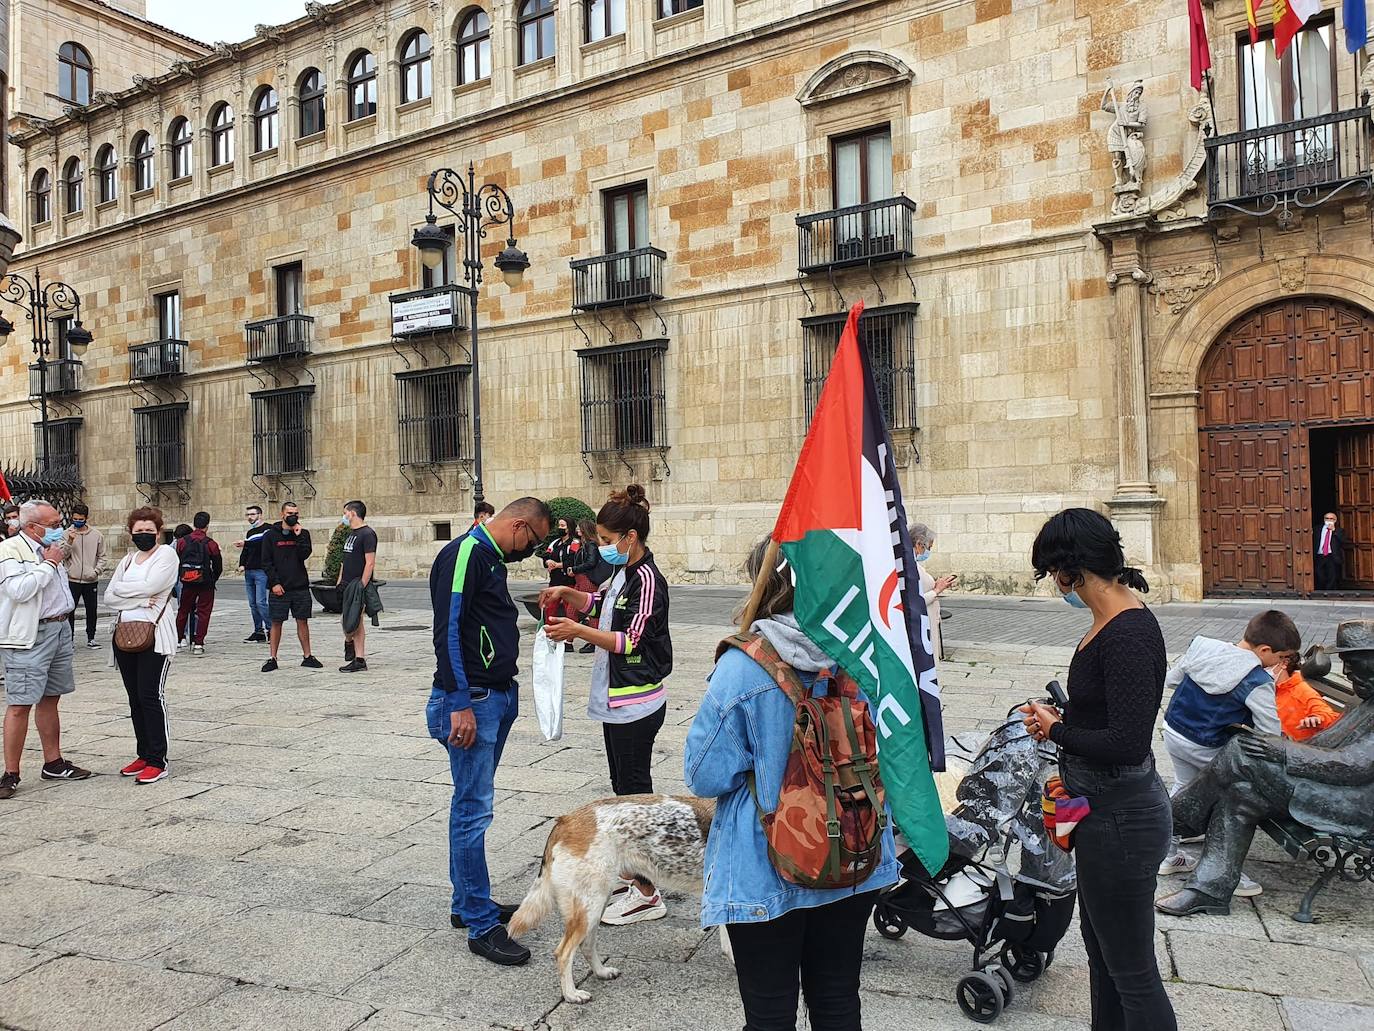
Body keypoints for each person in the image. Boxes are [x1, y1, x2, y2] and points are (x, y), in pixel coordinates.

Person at [685, 537, 899, 1031]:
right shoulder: (868, 657)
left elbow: (704, 774)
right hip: (855, 849)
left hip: (770, 858)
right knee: (839, 1000)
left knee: (769, 1012)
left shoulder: (743, 667)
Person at [1019, 508, 1177, 1031]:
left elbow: (1127, 743)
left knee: (1131, 970)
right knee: (1103, 953)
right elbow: (1111, 715)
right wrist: (1064, 720)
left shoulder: (1127, 632)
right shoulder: (1109, 622)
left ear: (1070, 569)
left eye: (1051, 574)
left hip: (1121, 820)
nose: (1054, 586)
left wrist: (1055, 730)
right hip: (1101, 812)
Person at [1158, 618, 1374, 918]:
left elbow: (1356, 765)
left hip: (1353, 806)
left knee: (1240, 752)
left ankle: (1172, 820)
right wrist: (1285, 748)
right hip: (1332, 789)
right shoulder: (1369, 702)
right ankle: (1209, 890)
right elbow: (1328, 744)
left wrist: (1283, 751)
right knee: (1241, 791)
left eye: (1355, 663)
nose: (1348, 672)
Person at [426, 497, 550, 966]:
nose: (530, 552)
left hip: (493, 695)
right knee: (473, 810)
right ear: (518, 525)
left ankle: (467, 902)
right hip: (470, 700)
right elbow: (448, 631)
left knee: (471, 804)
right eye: (532, 542)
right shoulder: (465, 555)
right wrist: (459, 702)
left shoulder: (491, 559)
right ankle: (479, 922)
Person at [541, 484, 673, 926]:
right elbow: (601, 604)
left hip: (638, 700)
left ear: (628, 538)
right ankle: (633, 872)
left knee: (635, 794)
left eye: (603, 538)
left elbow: (628, 638)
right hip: (617, 698)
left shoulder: (649, 579)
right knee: (622, 790)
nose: (601, 546)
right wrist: (568, 595)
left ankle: (648, 891)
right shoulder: (622, 575)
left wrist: (577, 632)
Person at [1155, 610, 1297, 893]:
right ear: (1265, 650)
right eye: (1282, 657)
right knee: (1230, 802)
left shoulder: (1203, 646)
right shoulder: (1257, 681)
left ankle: (1166, 855)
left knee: (1183, 787)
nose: (1282, 664)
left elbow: (1171, 679)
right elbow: (1268, 732)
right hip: (1207, 746)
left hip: (1173, 730)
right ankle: (1222, 870)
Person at [0, 499, 92, 800]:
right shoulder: (9, 550)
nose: (59, 529)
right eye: (53, 525)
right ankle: (10, 773)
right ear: (31, 527)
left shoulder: (50, 548)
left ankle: (53, 762)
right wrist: (50, 562)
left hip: (60, 628)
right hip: (31, 634)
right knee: (20, 703)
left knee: (51, 698)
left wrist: (53, 559)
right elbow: (20, 590)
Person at [104, 506, 179, 784]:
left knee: (150, 695)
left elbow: (154, 586)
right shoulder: (127, 561)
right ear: (131, 533)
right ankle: (144, 753)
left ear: (158, 532)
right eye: (139, 531)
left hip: (155, 635)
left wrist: (128, 591)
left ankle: (158, 759)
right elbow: (109, 597)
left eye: (149, 530)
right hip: (124, 633)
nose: (144, 535)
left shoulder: (167, 555)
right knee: (134, 697)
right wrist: (136, 600)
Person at [260, 502, 320, 672]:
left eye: (296, 513)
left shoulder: (303, 534)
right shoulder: (270, 536)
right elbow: (266, 562)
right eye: (289, 512)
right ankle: (273, 657)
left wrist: (299, 536)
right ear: (282, 514)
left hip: (299, 585)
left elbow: (304, 554)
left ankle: (307, 656)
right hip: (279, 587)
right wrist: (274, 583)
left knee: (302, 621)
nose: (293, 515)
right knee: (276, 622)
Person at [174, 512, 222, 656]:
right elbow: (218, 566)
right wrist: (213, 578)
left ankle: (178, 640)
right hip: (205, 582)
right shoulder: (211, 543)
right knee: (204, 612)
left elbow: (178, 561)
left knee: (183, 610)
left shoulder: (182, 542)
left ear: (194, 524)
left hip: (188, 580)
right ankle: (199, 643)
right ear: (207, 525)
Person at [338, 500, 377, 673]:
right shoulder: (351, 533)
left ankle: (359, 658)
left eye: (345, 512)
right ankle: (349, 644)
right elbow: (344, 560)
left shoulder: (367, 534)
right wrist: (339, 580)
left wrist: (362, 584)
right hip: (346, 583)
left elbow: (370, 563)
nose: (344, 516)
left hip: (357, 584)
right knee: (348, 619)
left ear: (352, 513)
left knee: (356, 620)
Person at [908, 521, 955, 662]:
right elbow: (915, 599)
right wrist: (936, 590)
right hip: (922, 623)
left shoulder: (915, 564)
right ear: (919, 544)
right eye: (929, 547)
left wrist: (939, 585)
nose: (929, 551)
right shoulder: (910, 566)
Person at [63, 502, 105, 649]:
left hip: (90, 579)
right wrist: (69, 541)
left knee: (91, 609)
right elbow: (63, 555)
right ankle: (70, 640)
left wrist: (95, 571)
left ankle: (91, 637)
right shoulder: (66, 533)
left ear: (86, 518)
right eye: (75, 518)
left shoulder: (97, 535)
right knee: (70, 611)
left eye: (80, 519)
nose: (78, 521)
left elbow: (102, 556)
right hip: (72, 579)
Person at [567, 518, 608, 654]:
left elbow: (591, 562)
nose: (577, 529)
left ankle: (593, 641)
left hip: (587, 581)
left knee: (591, 612)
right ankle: (569, 641)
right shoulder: (582, 544)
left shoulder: (591, 545)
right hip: (580, 580)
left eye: (579, 527)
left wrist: (575, 569)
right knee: (572, 610)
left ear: (585, 529)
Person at [537, 517, 578, 651]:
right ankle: (550, 635)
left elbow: (574, 560)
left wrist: (559, 565)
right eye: (559, 525)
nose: (560, 528)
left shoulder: (575, 543)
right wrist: (548, 562)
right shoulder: (554, 543)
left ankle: (569, 641)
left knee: (570, 611)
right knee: (550, 608)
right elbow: (546, 556)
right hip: (554, 582)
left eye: (563, 526)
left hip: (569, 582)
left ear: (569, 528)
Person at [235, 504, 271, 643]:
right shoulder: (250, 533)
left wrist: (245, 543)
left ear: (260, 515)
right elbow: (247, 549)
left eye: (253, 514)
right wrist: (242, 564)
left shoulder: (267, 529)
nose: (250, 517)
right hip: (249, 571)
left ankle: (270, 629)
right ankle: (258, 631)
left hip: (261, 570)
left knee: (261, 602)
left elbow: (259, 542)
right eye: (248, 515)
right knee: (252, 604)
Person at [1315, 511, 1345, 590]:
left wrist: (1334, 530)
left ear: (1335, 520)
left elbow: (1342, 541)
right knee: (1319, 573)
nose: (1329, 520)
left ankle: (1330, 592)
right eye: (1327, 518)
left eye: (1331, 518)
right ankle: (1320, 590)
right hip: (1320, 555)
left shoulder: (1339, 530)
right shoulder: (1317, 529)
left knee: (1332, 575)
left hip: (1332, 555)